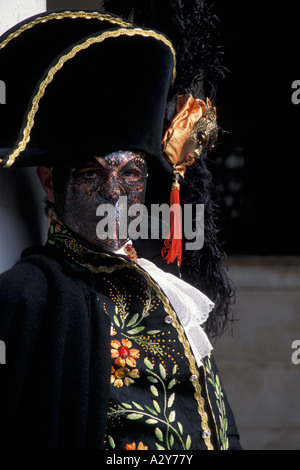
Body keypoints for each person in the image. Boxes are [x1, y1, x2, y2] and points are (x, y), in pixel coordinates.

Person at [0, 6, 242, 450]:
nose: (115, 194)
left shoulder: (166, 292)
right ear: (51, 181)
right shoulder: (25, 297)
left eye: (130, 173)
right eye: (93, 174)